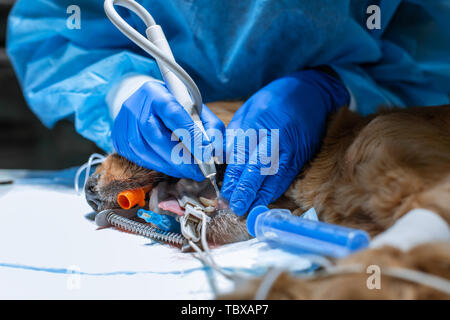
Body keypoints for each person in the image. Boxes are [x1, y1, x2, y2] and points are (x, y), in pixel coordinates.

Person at [7, 0, 450, 216]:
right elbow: (51, 30)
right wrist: (118, 87)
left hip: (363, 138)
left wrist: (338, 90)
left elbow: (436, 52)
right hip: (145, 145)